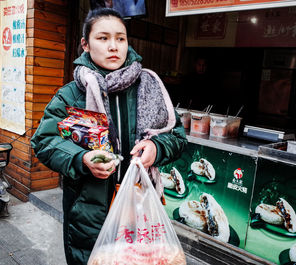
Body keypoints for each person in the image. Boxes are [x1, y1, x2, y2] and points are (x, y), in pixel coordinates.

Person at [31, 8, 187, 265]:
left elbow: (178, 137)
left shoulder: (149, 87)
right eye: (103, 38)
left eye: (120, 38)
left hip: (140, 208)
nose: (113, 46)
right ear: (85, 44)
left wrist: (157, 147)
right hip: (88, 211)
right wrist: (82, 159)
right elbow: (44, 142)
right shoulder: (71, 95)